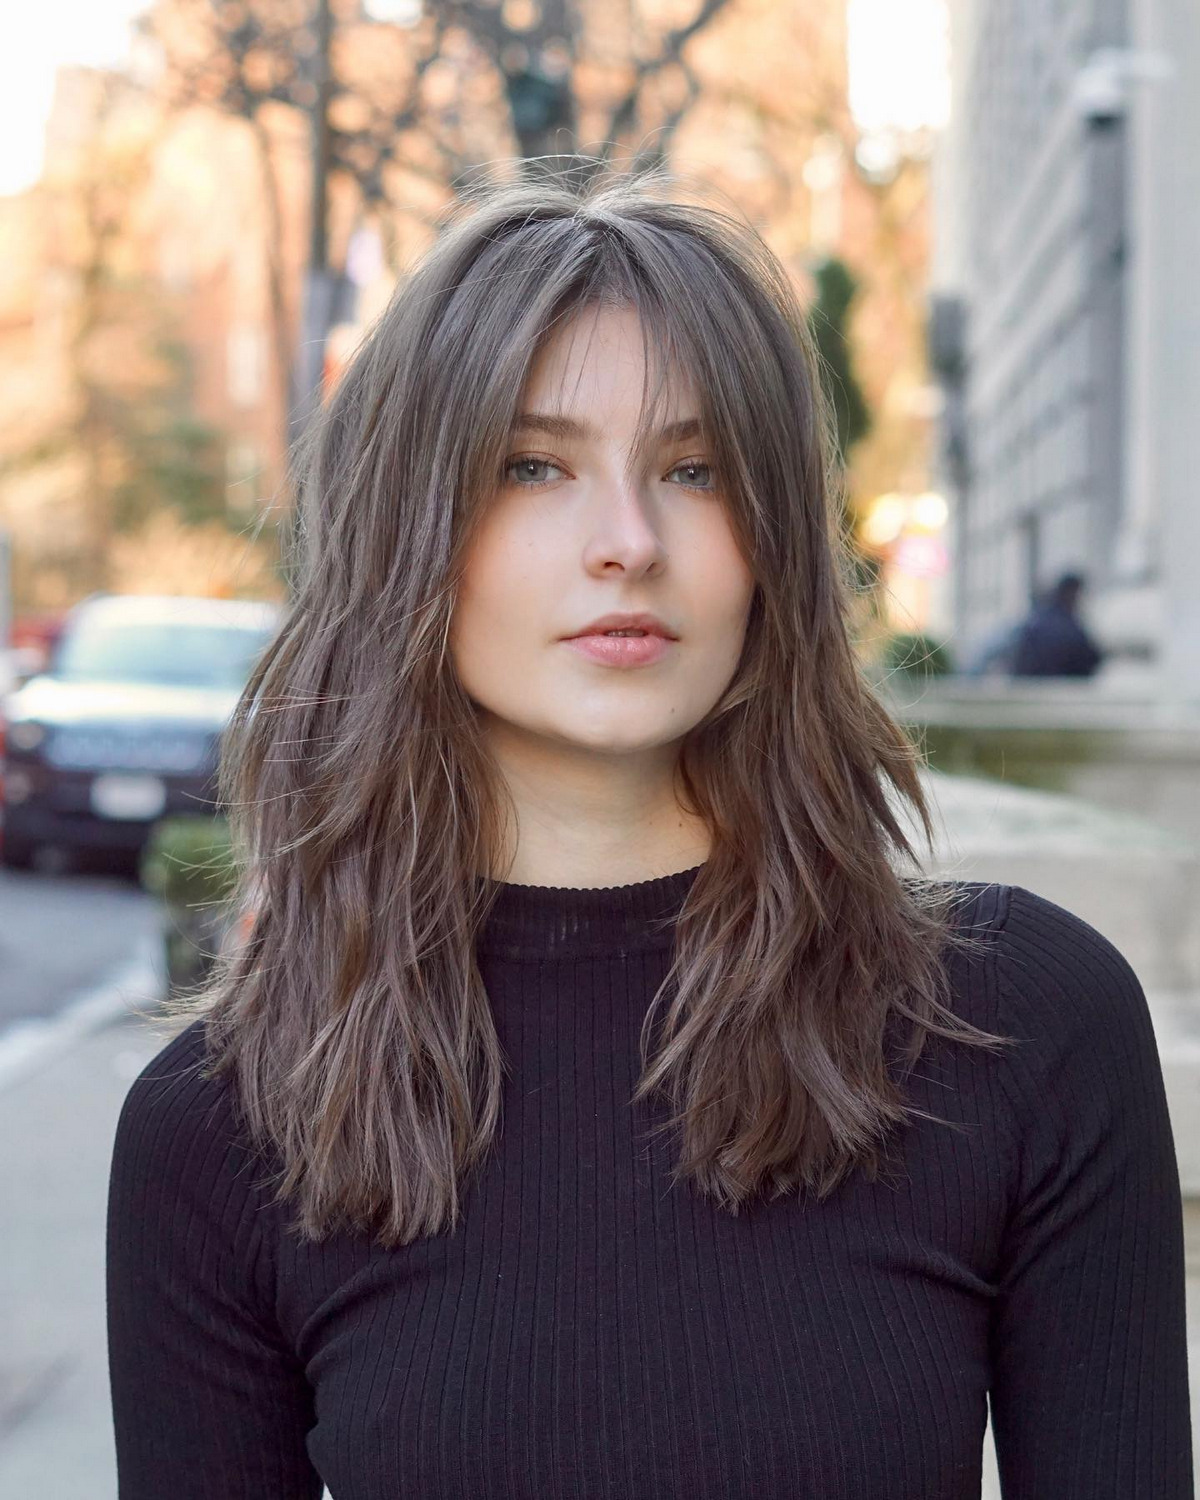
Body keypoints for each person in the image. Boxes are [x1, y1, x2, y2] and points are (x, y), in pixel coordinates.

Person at [105, 173, 1192, 1498]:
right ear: (408, 534)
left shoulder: (1024, 1023)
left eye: (695, 470)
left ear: (771, 543)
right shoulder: (225, 1122)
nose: (628, 541)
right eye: (533, 465)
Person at [1009, 570, 1104, 678]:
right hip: (1058, 688)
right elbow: (1091, 659)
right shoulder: (1068, 628)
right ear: (1072, 593)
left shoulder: (1035, 621)